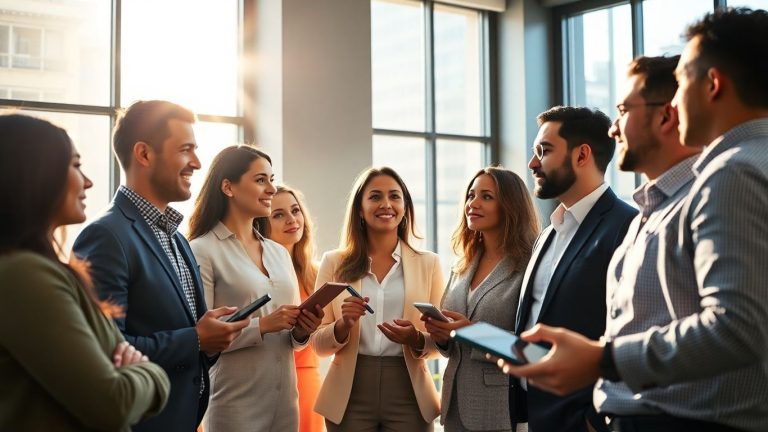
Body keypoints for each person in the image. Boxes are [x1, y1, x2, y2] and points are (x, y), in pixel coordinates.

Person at [497, 8, 768, 432]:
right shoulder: (686, 191)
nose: (675, 102)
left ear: (713, 85)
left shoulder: (733, 172)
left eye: (682, 86)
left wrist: (602, 359)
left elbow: (740, 327)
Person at [73, 100, 249, 432]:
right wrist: (196, 339)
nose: (197, 163)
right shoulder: (105, 236)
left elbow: (192, 341)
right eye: (186, 150)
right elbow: (105, 349)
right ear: (144, 154)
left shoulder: (177, 238)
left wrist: (212, 337)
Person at [0, 114, 170, 430]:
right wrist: (150, 373)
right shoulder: (24, 276)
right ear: (36, 175)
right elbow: (113, 403)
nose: (88, 181)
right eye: (75, 165)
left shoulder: (34, 269)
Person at [511, 106, 637, 432]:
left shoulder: (627, 227)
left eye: (544, 151)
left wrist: (595, 422)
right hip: (535, 416)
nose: (532, 163)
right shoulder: (548, 231)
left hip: (584, 419)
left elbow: (635, 331)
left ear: (582, 156)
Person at [188, 146, 323, 432]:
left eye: (272, 179)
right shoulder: (202, 250)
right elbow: (204, 340)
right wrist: (262, 325)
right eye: (261, 180)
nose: (272, 189)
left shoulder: (278, 253)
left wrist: (302, 330)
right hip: (234, 406)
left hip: (286, 405)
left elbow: (290, 339)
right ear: (228, 187)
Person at [310, 167, 445, 431]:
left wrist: (415, 339)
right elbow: (317, 344)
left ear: (405, 207)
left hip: (409, 391)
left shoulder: (429, 264)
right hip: (349, 393)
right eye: (375, 197)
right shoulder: (334, 262)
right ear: (360, 209)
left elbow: (441, 341)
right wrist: (342, 326)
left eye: (394, 196)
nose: (386, 204)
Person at [421, 167, 539, 432]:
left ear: (510, 206)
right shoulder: (462, 265)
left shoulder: (530, 266)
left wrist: (470, 332)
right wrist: (441, 335)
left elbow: (531, 349)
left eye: (486, 196)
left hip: (499, 409)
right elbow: (452, 347)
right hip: (454, 408)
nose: (472, 203)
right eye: (471, 195)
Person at [262, 185, 325, 432]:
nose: (291, 219)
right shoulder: (253, 275)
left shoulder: (317, 274)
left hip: (307, 379)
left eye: (295, 210)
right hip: (261, 378)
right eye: (278, 214)